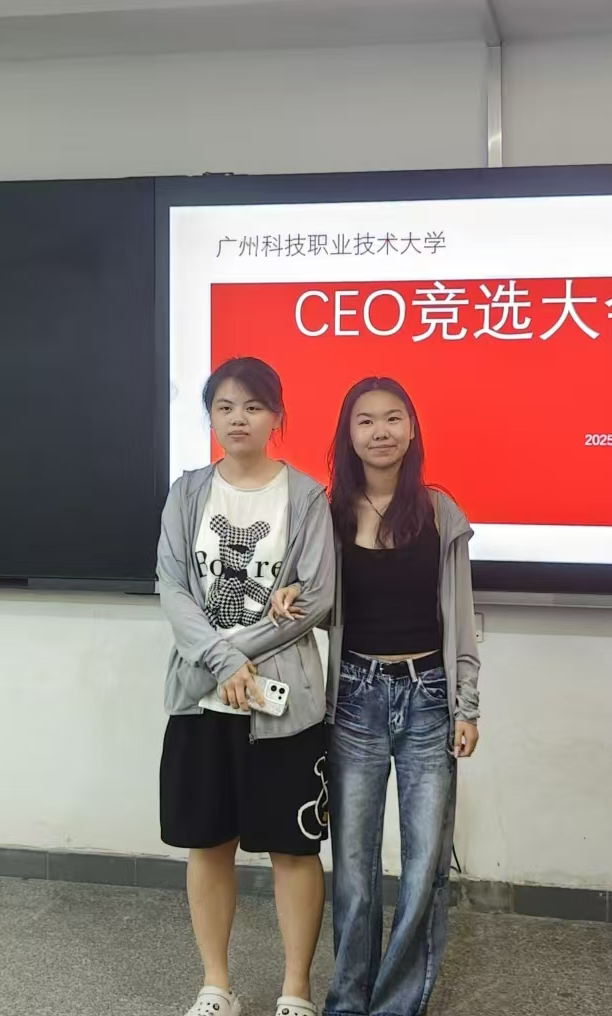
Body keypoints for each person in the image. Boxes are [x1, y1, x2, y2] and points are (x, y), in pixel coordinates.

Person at [271, 377, 481, 1016]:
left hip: (430, 698)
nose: (380, 431)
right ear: (348, 434)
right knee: (355, 869)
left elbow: (461, 617)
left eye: (393, 418)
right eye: (366, 420)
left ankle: (395, 1005)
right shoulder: (327, 511)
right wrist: (290, 593)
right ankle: (347, 1001)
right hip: (355, 700)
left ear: (412, 430)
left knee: (424, 869)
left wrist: (467, 704)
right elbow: (305, 589)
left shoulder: (439, 512)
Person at [157, 356, 336, 1016]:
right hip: (201, 700)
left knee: (293, 848)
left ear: (276, 417)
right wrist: (220, 661)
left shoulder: (307, 496)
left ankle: (295, 990)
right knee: (208, 843)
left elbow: (316, 599)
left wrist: (236, 656)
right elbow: (171, 585)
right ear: (209, 416)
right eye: (225, 406)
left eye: (253, 407)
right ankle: (216, 986)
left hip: (284, 705)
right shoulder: (187, 493)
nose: (238, 418)